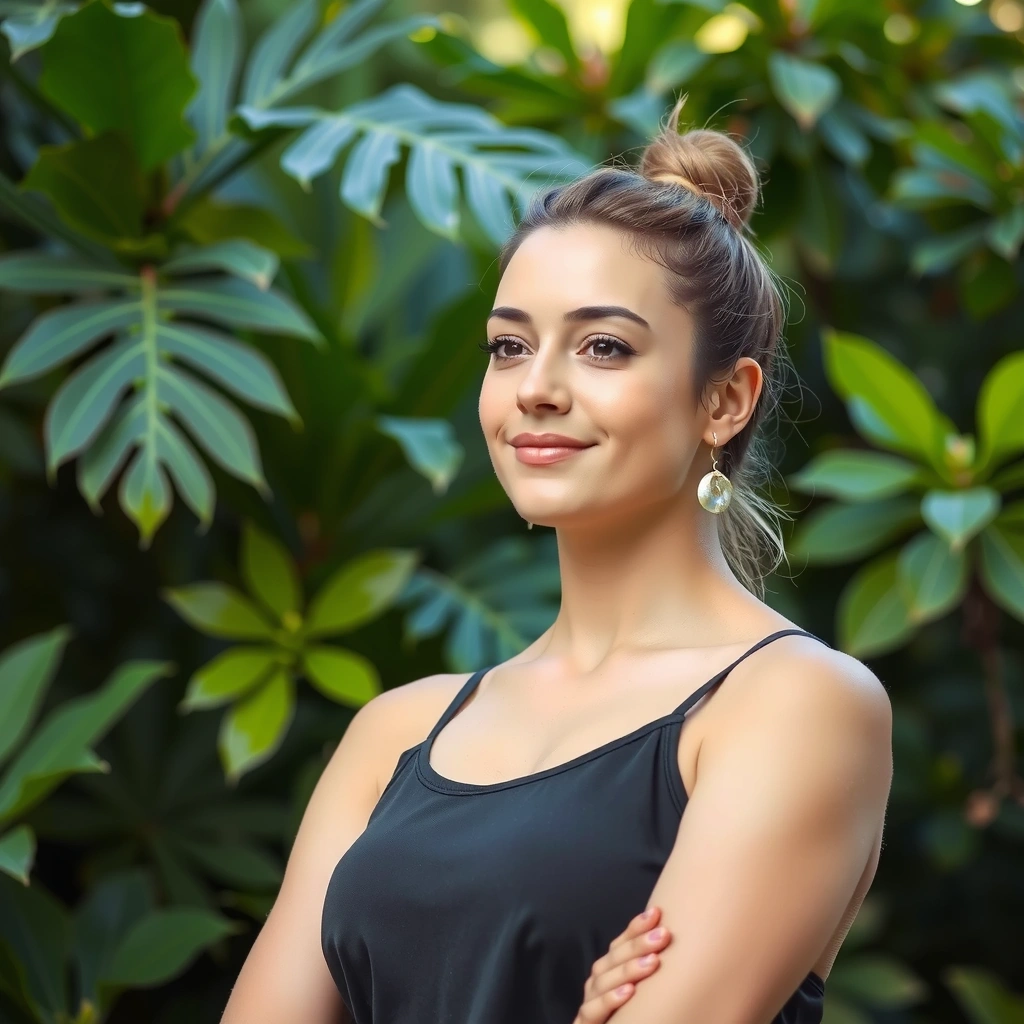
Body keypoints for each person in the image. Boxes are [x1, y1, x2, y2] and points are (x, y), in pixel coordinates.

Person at [220, 96, 893, 1024]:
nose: (535, 388)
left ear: (724, 401)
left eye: (603, 347)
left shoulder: (795, 705)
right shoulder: (395, 735)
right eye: (509, 346)